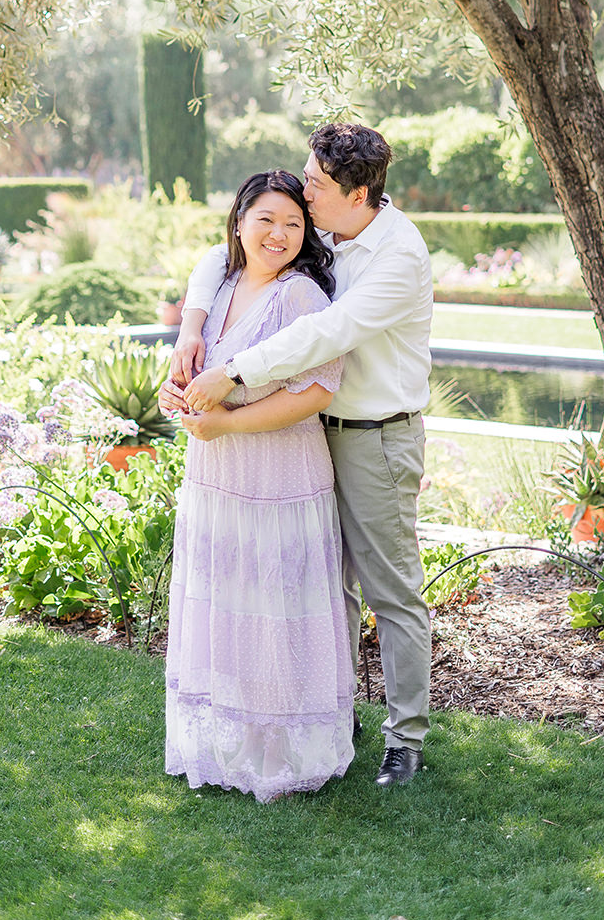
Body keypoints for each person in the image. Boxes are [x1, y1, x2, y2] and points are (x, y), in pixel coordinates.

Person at [165, 123, 433, 788]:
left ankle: (406, 740)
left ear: (358, 191)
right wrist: (191, 332)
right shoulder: (323, 226)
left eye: (313, 182)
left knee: (389, 591)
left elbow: (326, 333)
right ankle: (330, 716)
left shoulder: (397, 255)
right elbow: (222, 253)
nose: (304, 189)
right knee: (321, 584)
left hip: (374, 432)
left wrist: (231, 378)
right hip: (311, 438)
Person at [163, 168, 354, 804]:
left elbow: (319, 391)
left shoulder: (301, 297)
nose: (278, 234)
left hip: (278, 474)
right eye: (266, 220)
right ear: (239, 222)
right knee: (225, 601)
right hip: (216, 475)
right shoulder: (220, 283)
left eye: (294, 223)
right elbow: (203, 371)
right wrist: (182, 395)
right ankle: (225, 742)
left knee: (275, 611)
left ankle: (280, 752)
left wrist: (227, 423)